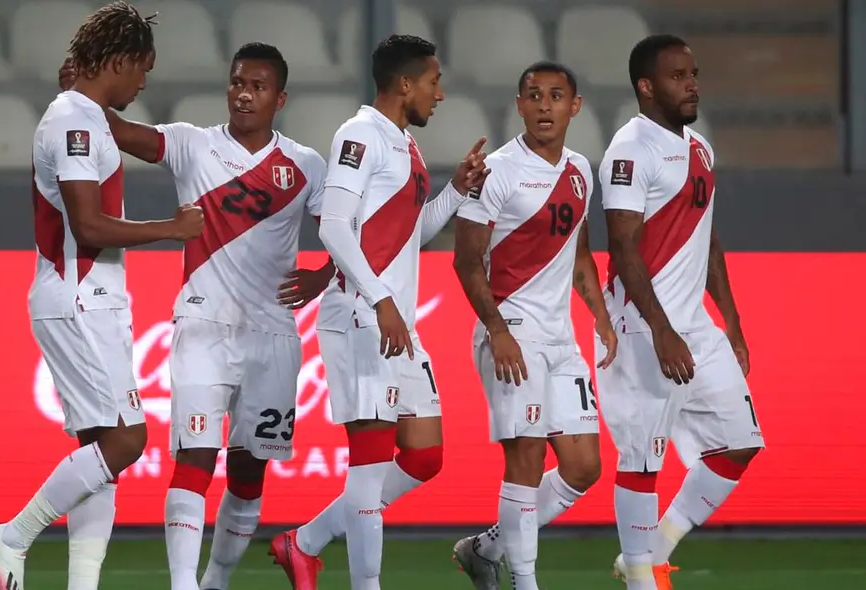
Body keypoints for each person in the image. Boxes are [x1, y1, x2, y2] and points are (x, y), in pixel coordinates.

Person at [59, 41, 333, 590]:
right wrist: (80, 92)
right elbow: (121, 131)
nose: (243, 94)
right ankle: (183, 585)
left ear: (279, 99)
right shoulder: (192, 145)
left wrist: (322, 276)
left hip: (274, 335)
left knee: (250, 472)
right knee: (196, 459)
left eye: (257, 86)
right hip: (202, 328)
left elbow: (343, 237)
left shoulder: (306, 165)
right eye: (237, 82)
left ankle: (215, 581)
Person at [0, 4, 205, 590]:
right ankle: (14, 536)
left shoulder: (84, 115)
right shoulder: (75, 124)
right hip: (79, 299)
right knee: (128, 440)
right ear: (121, 61)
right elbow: (88, 227)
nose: (144, 83)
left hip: (91, 299)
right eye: (143, 70)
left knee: (100, 459)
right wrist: (171, 228)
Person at [267, 34, 489, 590]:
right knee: (368, 471)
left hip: (393, 321)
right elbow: (336, 224)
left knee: (424, 456)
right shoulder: (360, 135)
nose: (440, 95)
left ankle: (306, 542)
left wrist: (456, 192)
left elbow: (409, 236)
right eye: (434, 83)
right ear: (406, 83)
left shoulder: (404, 144)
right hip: (365, 319)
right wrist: (381, 299)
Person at [599, 35, 763, 590]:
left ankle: (649, 552)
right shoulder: (630, 149)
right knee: (642, 460)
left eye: (693, 73)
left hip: (695, 324)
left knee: (739, 442)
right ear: (646, 87)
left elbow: (707, 239)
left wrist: (732, 321)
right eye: (677, 76)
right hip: (645, 326)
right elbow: (622, 248)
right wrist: (662, 330)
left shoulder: (700, 147)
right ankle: (644, 579)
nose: (692, 84)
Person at [449, 61, 618, 590]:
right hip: (511, 330)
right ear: (519, 106)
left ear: (576, 106)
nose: (545, 106)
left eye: (556, 96)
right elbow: (466, 261)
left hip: (560, 337)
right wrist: (497, 329)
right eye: (534, 96)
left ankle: (485, 549)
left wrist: (603, 317)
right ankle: (524, 580)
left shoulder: (579, 170)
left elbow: (580, 253)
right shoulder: (495, 171)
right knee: (526, 453)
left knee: (583, 467)